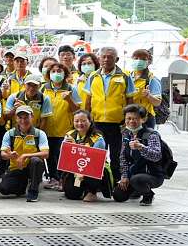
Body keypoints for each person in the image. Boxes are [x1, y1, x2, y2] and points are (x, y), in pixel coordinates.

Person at [84, 46, 136, 182]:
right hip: (97, 123)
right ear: (99, 59)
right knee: (97, 154)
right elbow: (88, 100)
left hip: (118, 124)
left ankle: (116, 183)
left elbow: (130, 100)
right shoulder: (93, 76)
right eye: (104, 57)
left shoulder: (124, 76)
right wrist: (87, 119)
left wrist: (128, 121)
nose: (106, 59)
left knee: (117, 156)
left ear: (116, 59)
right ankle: (97, 183)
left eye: (110, 57)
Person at [115, 104, 164, 206]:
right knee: (118, 195)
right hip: (134, 172)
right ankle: (137, 189)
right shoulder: (126, 134)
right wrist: (124, 176)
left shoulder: (151, 134)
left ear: (143, 119)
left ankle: (148, 195)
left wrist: (141, 147)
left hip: (152, 174)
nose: (131, 121)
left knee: (136, 180)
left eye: (135, 118)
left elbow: (157, 156)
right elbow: (123, 158)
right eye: (128, 118)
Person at [42, 63, 80, 189]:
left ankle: (63, 180)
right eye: (53, 71)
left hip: (65, 130)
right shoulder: (44, 88)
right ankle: (53, 178)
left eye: (59, 71)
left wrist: (69, 99)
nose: (56, 73)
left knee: (62, 156)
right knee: (50, 156)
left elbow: (77, 110)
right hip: (47, 129)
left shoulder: (71, 88)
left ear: (65, 74)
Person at [0, 105, 49, 202]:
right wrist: (9, 155)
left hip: (32, 168)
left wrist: (25, 156)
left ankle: (33, 190)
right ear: (16, 118)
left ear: (32, 117)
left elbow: (45, 154)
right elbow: (3, 154)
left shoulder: (39, 134)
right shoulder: (9, 134)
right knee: (4, 189)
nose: (23, 120)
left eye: (26, 117)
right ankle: (22, 186)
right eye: (20, 117)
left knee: (36, 161)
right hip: (16, 168)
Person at [62, 110, 112, 202]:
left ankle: (92, 192)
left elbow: (96, 160)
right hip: (76, 169)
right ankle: (80, 189)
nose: (80, 123)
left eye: (83, 121)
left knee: (95, 170)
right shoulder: (69, 135)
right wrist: (66, 146)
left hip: (93, 168)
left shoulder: (98, 138)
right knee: (72, 195)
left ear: (90, 121)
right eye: (76, 121)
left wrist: (77, 147)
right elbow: (64, 156)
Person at [129, 49, 162, 128]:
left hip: (145, 118)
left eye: (143, 59)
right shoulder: (127, 77)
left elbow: (157, 102)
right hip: (129, 117)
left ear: (149, 62)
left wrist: (148, 96)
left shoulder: (152, 80)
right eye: (136, 58)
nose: (138, 61)